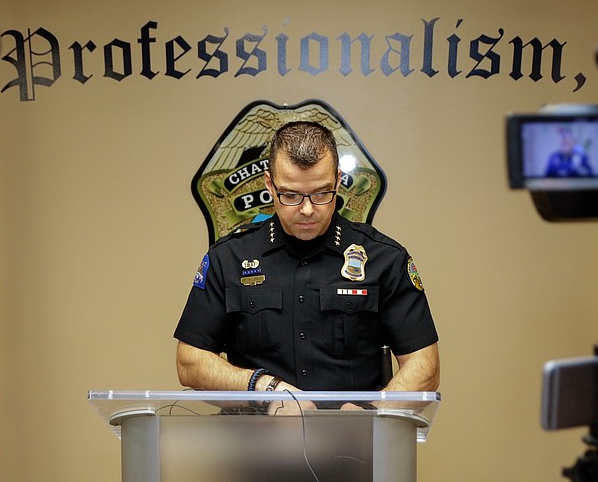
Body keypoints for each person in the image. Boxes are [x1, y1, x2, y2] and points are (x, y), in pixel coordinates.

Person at [174, 121, 439, 399]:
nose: (308, 209)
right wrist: (264, 387)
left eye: (322, 193)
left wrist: (373, 417)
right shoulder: (229, 258)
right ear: (269, 184)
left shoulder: (383, 259)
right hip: (254, 436)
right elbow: (190, 361)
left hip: (352, 439)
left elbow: (424, 365)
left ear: (338, 181)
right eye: (290, 195)